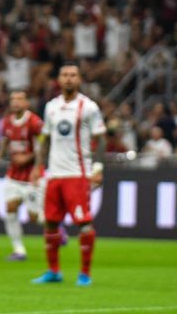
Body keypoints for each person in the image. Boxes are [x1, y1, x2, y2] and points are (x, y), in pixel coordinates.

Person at [31, 62, 106, 286]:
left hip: (77, 174)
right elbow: (46, 139)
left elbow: (100, 139)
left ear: (79, 79)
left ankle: (85, 273)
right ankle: (54, 271)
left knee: (84, 222)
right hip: (54, 174)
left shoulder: (89, 107)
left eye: (73, 75)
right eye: (64, 75)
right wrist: (38, 166)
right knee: (51, 222)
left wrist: (98, 168)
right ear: (59, 79)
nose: (69, 78)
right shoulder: (51, 106)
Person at [0, 90, 44, 261]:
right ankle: (19, 250)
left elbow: (42, 147)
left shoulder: (35, 122)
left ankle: (58, 228)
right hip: (13, 175)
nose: (16, 102)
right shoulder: (7, 122)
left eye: (20, 99)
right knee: (10, 209)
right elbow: (5, 140)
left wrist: (33, 163)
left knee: (36, 218)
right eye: (13, 99)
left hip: (32, 176)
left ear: (27, 103)